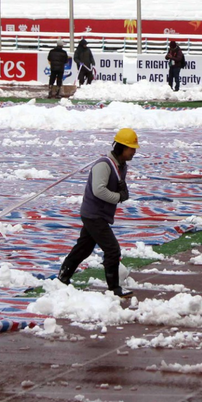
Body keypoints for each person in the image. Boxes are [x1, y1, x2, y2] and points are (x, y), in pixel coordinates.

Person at [57, 128, 139, 298]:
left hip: (99, 214)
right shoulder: (104, 165)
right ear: (122, 147)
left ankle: (62, 277)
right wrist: (118, 197)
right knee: (112, 249)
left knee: (84, 248)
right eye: (132, 148)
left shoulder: (120, 165)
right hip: (94, 214)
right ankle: (114, 289)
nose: (134, 151)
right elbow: (98, 190)